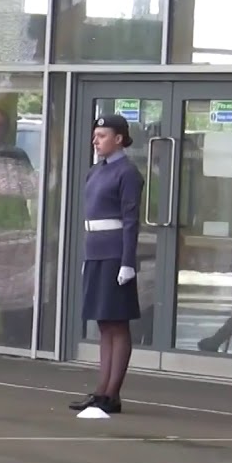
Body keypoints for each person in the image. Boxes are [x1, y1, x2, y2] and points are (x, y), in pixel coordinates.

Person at [69, 114, 143, 415]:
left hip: (115, 253)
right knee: (103, 323)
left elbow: (130, 221)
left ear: (119, 139)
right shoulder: (95, 171)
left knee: (117, 323)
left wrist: (127, 262)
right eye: (95, 135)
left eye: (102, 135)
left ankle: (113, 392)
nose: (96, 140)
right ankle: (101, 389)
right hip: (97, 251)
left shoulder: (127, 173)